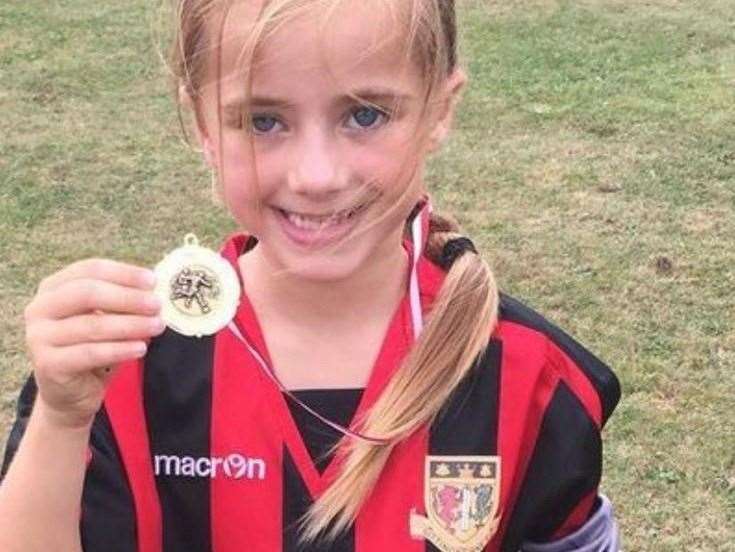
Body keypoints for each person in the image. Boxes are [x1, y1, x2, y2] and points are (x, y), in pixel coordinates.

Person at [0, 0, 622, 551]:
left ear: (440, 109)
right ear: (203, 125)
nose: (316, 175)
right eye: (264, 121)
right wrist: (60, 420)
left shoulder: (534, 378)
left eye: (366, 115)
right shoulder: (121, 360)